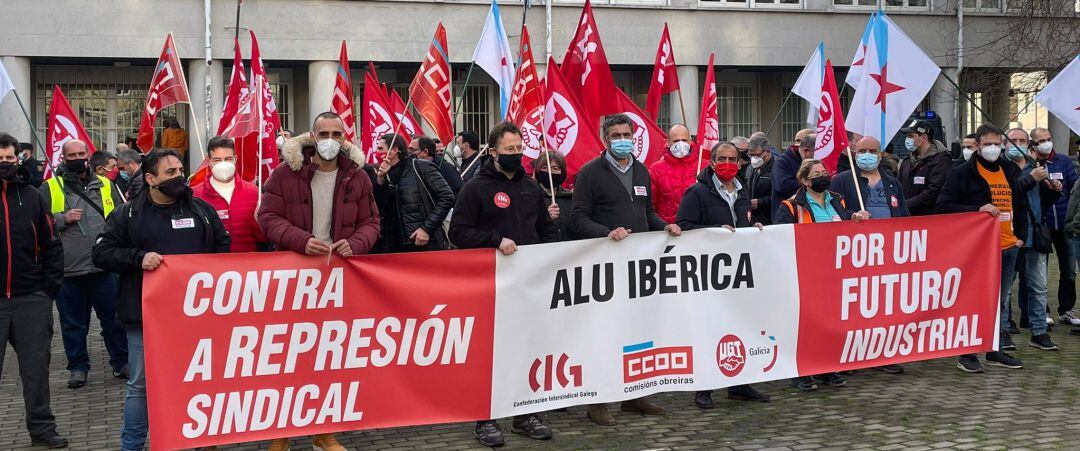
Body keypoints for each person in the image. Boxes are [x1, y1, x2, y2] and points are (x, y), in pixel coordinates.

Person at [92, 148, 230, 451]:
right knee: (140, 387)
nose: (179, 177)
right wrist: (137, 258)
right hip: (145, 318)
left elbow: (223, 247)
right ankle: (132, 445)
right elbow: (101, 253)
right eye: (170, 173)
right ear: (151, 178)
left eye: (180, 170)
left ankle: (202, 440)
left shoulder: (202, 212)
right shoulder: (128, 214)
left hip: (196, 318)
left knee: (199, 382)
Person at [256, 112, 379, 451]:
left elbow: (372, 222)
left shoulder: (359, 177)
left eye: (336, 133)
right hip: (293, 277)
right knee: (288, 358)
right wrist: (299, 239)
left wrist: (356, 244)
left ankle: (322, 431)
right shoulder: (285, 173)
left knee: (327, 359)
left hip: (338, 280)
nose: (329, 139)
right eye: (323, 132)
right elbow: (266, 217)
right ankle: (281, 431)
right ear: (312, 135)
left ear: (345, 137)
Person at [450, 121, 558, 447]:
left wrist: (554, 250)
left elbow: (544, 228)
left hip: (528, 285)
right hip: (491, 285)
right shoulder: (475, 187)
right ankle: (486, 418)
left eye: (519, 148)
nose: (516, 154)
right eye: (509, 149)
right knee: (491, 353)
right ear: (493, 151)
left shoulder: (530, 186)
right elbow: (458, 232)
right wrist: (495, 239)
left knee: (526, 350)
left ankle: (524, 415)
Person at [570, 114, 682, 426]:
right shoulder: (590, 173)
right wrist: (607, 232)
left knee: (637, 333)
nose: (622, 139)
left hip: (638, 269)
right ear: (606, 139)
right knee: (605, 334)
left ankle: (634, 395)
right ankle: (597, 401)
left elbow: (646, 212)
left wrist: (665, 226)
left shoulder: (642, 170)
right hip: (606, 267)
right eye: (616, 134)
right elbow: (578, 218)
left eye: (626, 134)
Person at [677, 141, 770, 407]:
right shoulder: (696, 193)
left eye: (732, 158)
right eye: (722, 158)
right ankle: (704, 387)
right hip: (708, 272)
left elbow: (744, 223)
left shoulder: (742, 192)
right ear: (711, 162)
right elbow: (684, 226)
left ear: (740, 162)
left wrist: (754, 228)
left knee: (739, 326)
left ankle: (739, 384)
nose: (728, 163)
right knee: (710, 329)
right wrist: (716, 230)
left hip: (738, 273)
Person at [937, 124, 1027, 373]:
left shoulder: (1009, 169)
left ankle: (994, 348)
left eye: (997, 144)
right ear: (977, 145)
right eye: (987, 144)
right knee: (973, 300)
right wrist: (977, 211)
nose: (993, 149)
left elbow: (1020, 201)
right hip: (978, 249)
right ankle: (967, 353)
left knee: (1000, 300)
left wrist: (1021, 236)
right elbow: (943, 205)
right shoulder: (962, 172)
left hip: (1009, 245)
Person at [40, 139, 128, 390]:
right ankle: (78, 367)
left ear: (88, 156)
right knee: (73, 325)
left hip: (104, 268)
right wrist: (61, 219)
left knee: (113, 320)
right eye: (72, 155)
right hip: (68, 270)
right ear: (63, 158)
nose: (78, 158)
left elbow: (122, 216)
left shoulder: (105, 184)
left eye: (82, 153)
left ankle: (121, 361)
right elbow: (37, 224)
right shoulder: (50, 187)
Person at [775, 158, 869, 390]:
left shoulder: (837, 200)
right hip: (805, 271)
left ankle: (826, 367)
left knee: (829, 321)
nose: (823, 176)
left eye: (824, 172)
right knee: (806, 323)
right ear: (805, 180)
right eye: (816, 173)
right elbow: (779, 237)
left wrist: (854, 219)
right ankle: (801, 371)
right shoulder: (790, 206)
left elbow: (845, 226)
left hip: (834, 271)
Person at [0, 132, 69, 449]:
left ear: (19, 159)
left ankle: (42, 427)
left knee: (36, 370)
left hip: (31, 298)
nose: (5, 164)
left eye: (9, 159)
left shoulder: (32, 196)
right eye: (0, 159)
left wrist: (48, 290)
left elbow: (52, 244)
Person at [828, 137, 910, 375]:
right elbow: (832, 210)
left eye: (872, 151)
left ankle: (881, 353)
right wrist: (852, 215)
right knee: (854, 305)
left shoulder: (892, 182)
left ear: (880, 155)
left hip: (888, 254)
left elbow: (903, 214)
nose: (867, 154)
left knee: (882, 305)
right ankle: (849, 356)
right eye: (862, 150)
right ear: (854, 153)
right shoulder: (843, 181)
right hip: (856, 253)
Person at [1004, 138, 1061, 352]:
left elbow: (1042, 202)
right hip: (1010, 236)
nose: (1016, 144)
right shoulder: (1002, 168)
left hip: (1033, 235)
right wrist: (1030, 179)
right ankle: (1004, 331)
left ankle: (1038, 332)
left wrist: (1054, 190)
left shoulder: (1035, 166)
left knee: (1038, 288)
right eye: (1013, 139)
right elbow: (1008, 193)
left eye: (1021, 140)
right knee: (1006, 289)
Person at [1029, 127, 1079, 326]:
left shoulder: (1063, 162)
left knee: (1068, 270)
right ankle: (1043, 311)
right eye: (1041, 140)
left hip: (1064, 225)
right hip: (1043, 225)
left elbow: (1074, 189)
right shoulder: (1032, 165)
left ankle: (1066, 309)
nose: (1047, 143)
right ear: (1033, 144)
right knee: (1041, 272)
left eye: (1048, 139)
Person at [373, 133, 454, 253]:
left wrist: (426, 228)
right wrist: (380, 180)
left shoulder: (420, 167)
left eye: (380, 148)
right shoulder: (382, 173)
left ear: (394, 150)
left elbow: (447, 197)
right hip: (393, 247)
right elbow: (378, 207)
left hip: (422, 243)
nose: (377, 152)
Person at [192, 137, 266, 253]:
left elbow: (264, 237)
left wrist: (261, 222)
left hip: (246, 265)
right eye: (217, 160)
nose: (223, 164)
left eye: (228, 159)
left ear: (235, 159)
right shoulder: (195, 195)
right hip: (212, 266)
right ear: (209, 161)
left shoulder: (253, 192)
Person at [897, 119, 952, 216]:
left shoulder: (941, 160)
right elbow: (898, 187)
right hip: (907, 216)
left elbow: (933, 192)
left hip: (929, 218)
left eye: (911, 136)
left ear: (924, 137)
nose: (907, 139)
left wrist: (905, 204)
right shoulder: (907, 161)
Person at [649, 124, 698, 224]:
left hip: (697, 230)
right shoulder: (655, 169)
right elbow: (651, 207)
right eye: (676, 141)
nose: (680, 144)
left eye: (684, 140)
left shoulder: (703, 166)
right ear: (668, 142)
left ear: (690, 140)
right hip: (668, 232)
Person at [771, 130, 815, 220]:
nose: (797, 144)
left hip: (811, 214)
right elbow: (782, 185)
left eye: (800, 140)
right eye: (797, 141)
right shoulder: (782, 161)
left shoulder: (816, 160)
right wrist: (810, 183)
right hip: (787, 216)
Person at [532, 150, 575, 241]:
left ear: (562, 172)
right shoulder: (530, 198)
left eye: (555, 168)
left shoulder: (571, 197)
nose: (549, 172)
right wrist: (546, 218)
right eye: (544, 167)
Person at [746, 136, 775, 226]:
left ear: (768, 151)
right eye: (751, 155)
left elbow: (782, 196)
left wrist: (760, 202)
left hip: (771, 219)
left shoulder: (777, 168)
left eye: (757, 155)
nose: (754, 158)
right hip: (754, 219)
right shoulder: (750, 168)